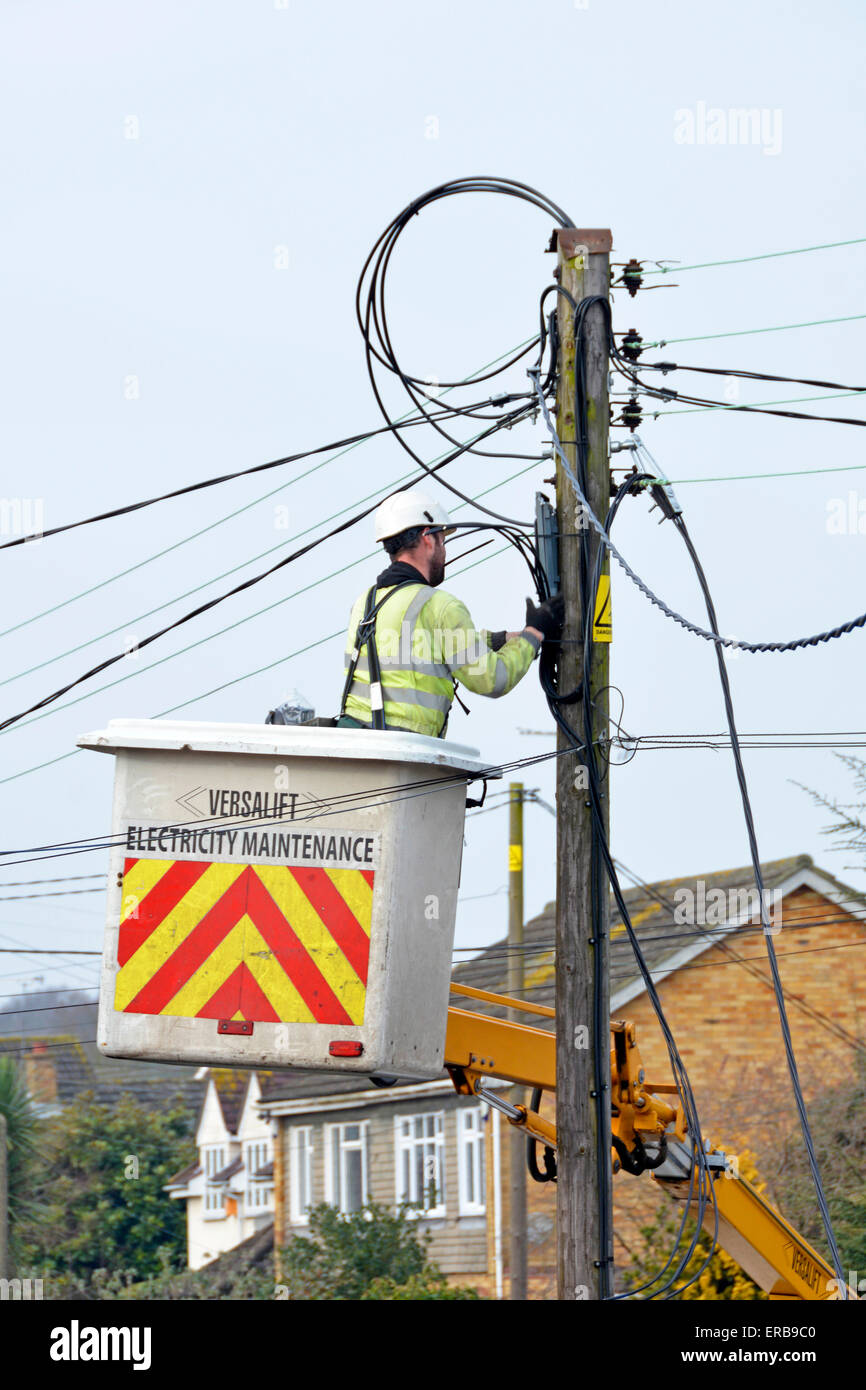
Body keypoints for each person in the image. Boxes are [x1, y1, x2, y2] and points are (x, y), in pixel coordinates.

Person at [337, 488, 564, 737]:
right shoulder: (440, 606)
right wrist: (533, 635)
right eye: (442, 540)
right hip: (407, 755)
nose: (444, 550)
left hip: (356, 747)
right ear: (427, 537)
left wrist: (506, 638)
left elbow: (423, 647)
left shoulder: (364, 603)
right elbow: (492, 679)